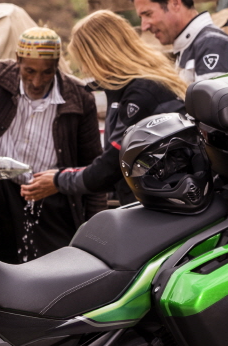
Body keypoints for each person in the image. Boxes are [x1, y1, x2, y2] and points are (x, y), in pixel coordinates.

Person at [0, 27, 105, 263]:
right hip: (0, 188)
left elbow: (93, 169)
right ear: (18, 61)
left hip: (47, 193)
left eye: (46, 73)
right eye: (29, 71)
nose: (37, 81)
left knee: (55, 269)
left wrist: (96, 232)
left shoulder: (79, 97)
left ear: (56, 66)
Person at [21, 10, 187, 206]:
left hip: (166, 205)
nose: (85, 70)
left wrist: (59, 180)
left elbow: (113, 165)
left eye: (85, 61)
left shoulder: (141, 94)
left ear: (100, 56)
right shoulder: (134, 86)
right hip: (163, 198)